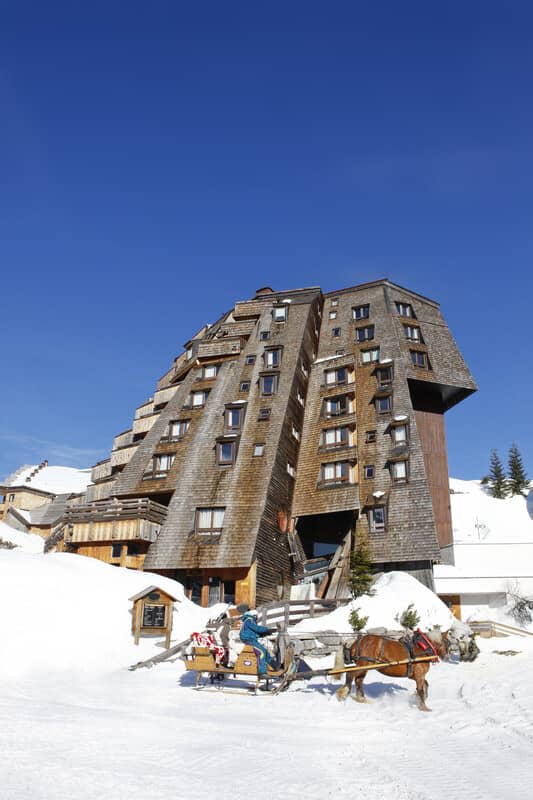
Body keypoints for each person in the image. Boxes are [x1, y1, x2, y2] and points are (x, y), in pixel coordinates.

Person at [239, 610, 278, 675]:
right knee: (261, 652)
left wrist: (266, 633)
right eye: (256, 616)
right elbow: (257, 628)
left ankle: (275, 666)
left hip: (252, 640)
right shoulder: (249, 620)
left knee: (265, 651)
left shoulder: (249, 621)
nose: (257, 618)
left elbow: (255, 632)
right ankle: (262, 672)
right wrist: (267, 630)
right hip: (249, 641)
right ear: (254, 615)